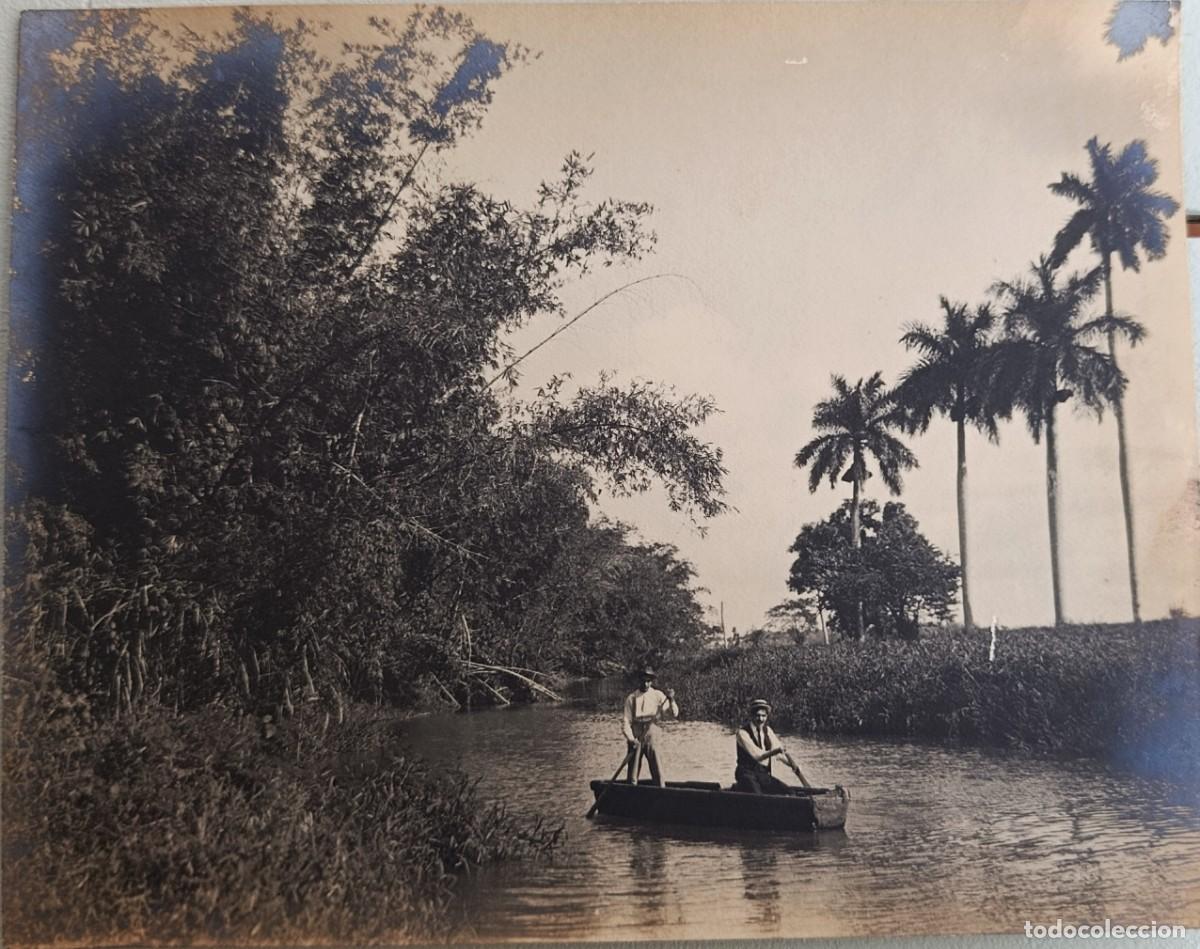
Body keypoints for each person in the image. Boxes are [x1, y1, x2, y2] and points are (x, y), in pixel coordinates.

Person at [734, 698, 812, 794]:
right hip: (746, 774)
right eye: (757, 716)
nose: (761, 719)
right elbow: (758, 756)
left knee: (789, 792)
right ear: (752, 716)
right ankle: (739, 788)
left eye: (764, 716)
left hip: (762, 775)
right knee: (758, 796)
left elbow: (780, 754)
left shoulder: (768, 731)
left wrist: (792, 765)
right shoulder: (742, 733)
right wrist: (775, 751)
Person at [621, 666, 679, 786]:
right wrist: (631, 740)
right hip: (636, 734)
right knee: (633, 771)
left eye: (648, 681)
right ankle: (631, 793)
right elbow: (626, 722)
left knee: (656, 766)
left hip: (651, 731)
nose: (646, 684)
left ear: (651, 681)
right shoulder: (631, 698)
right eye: (643, 681)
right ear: (639, 680)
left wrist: (672, 700)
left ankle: (660, 790)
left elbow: (674, 713)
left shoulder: (657, 695)